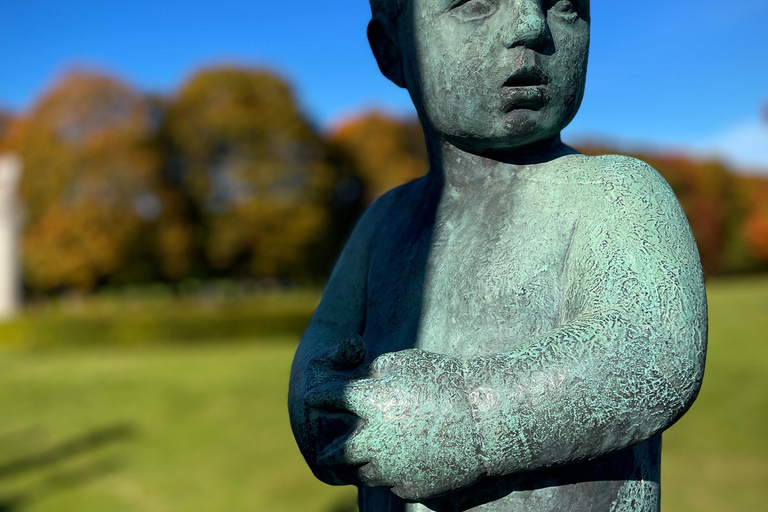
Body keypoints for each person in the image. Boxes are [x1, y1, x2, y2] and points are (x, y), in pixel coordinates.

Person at [288, 0, 707, 510]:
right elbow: (325, 344)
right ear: (392, 50)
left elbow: (650, 352)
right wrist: (321, 407)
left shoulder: (616, 193)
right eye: (476, 5)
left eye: (566, 6)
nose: (532, 25)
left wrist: (472, 418)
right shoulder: (385, 222)